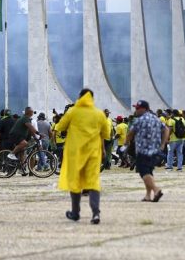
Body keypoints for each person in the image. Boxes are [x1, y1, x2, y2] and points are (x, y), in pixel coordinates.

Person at [56, 89, 112, 224]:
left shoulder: (73, 111)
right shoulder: (99, 114)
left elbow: (60, 127)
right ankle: (95, 214)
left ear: (80, 97)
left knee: (75, 182)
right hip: (93, 153)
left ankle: (75, 213)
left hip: (75, 153)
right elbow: (106, 134)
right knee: (93, 182)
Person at [124, 100, 169, 202]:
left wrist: (126, 143)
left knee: (143, 172)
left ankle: (156, 190)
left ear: (144, 109)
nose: (136, 110)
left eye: (138, 108)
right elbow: (166, 130)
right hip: (155, 151)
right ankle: (148, 195)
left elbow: (130, 133)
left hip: (143, 151)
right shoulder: (156, 119)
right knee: (148, 172)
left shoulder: (139, 120)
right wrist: (163, 144)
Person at [7, 108, 40, 175]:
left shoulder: (27, 119)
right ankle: (11, 154)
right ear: (28, 112)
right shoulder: (25, 118)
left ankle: (21, 169)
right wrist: (38, 133)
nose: (33, 113)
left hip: (20, 136)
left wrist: (35, 138)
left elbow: (30, 130)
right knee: (24, 143)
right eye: (32, 112)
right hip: (15, 135)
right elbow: (30, 127)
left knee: (22, 152)